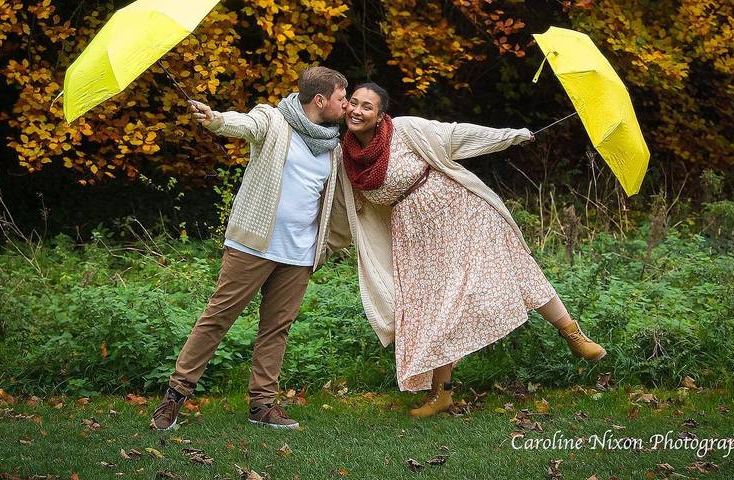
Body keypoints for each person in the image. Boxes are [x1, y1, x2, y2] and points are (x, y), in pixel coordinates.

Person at [337, 82, 606, 418]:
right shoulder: (345, 155)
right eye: (354, 103)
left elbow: (456, 135)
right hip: (416, 238)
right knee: (434, 308)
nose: (358, 111)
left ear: (380, 115)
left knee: (519, 269)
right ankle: (441, 395)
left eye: (368, 106)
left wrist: (512, 136)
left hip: (461, 213)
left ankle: (572, 334)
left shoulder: (404, 130)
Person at [150, 66, 351, 431]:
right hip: (254, 246)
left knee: (276, 328)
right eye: (341, 98)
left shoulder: (333, 146)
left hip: (299, 253)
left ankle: (262, 405)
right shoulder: (273, 120)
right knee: (217, 319)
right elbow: (244, 124)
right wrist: (214, 119)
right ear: (320, 100)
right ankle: (174, 397)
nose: (346, 105)